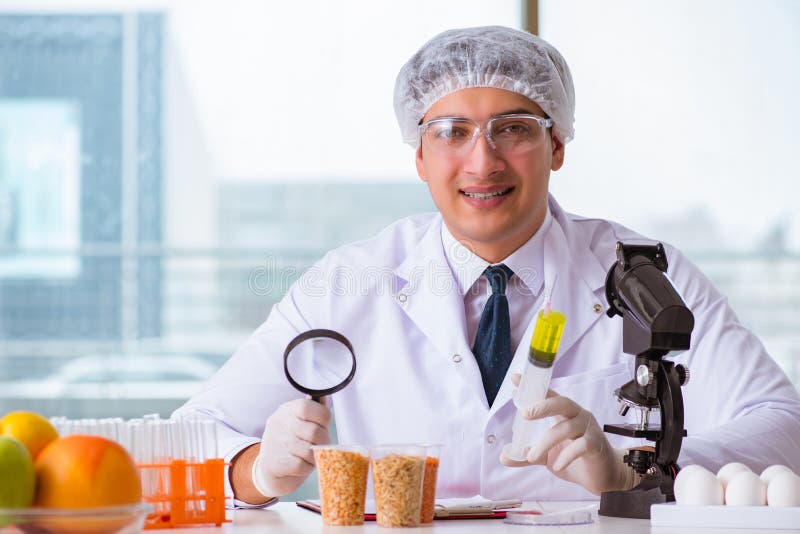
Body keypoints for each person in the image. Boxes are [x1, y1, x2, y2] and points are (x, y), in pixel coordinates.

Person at [173, 26, 800, 506]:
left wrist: (632, 470)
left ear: (557, 146)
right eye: (451, 131)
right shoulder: (349, 282)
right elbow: (196, 430)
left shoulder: (643, 275)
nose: (482, 163)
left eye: (513, 128)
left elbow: (783, 426)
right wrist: (254, 469)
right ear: (419, 156)